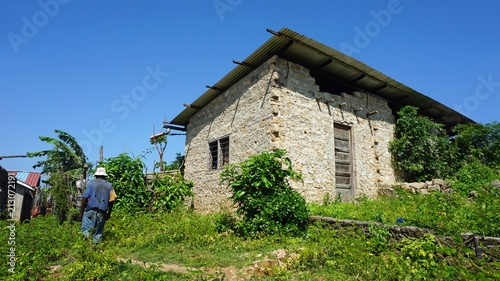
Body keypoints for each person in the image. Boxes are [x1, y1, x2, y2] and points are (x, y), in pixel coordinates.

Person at [79, 167, 117, 243]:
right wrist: (109, 213)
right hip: (102, 211)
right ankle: (96, 248)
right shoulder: (109, 186)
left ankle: (86, 246)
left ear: (96, 175)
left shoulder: (91, 183)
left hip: (90, 210)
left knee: (86, 230)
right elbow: (112, 200)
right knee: (98, 232)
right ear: (105, 176)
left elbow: (85, 198)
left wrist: (81, 212)